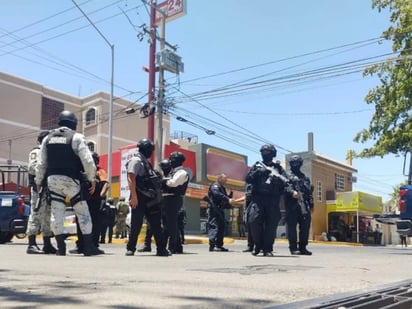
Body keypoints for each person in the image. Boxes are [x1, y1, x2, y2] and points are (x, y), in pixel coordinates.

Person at [35, 110, 101, 256]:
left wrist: (38, 181)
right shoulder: (76, 137)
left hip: (52, 180)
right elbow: (88, 160)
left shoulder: (47, 138)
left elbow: (41, 163)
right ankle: (89, 247)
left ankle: (61, 247)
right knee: (83, 212)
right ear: (74, 123)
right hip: (72, 180)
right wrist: (92, 179)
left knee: (56, 213)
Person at [125, 138, 169, 256]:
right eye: (150, 150)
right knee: (136, 224)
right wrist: (134, 197)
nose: (151, 152)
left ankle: (161, 249)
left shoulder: (146, 163)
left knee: (156, 224)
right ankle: (131, 248)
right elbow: (131, 178)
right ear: (146, 149)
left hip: (151, 198)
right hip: (139, 196)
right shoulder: (136, 160)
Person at [245, 144, 288, 257]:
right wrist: (259, 172)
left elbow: (286, 182)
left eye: (268, 151)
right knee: (253, 221)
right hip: (258, 199)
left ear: (273, 153)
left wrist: (276, 181)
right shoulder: (257, 165)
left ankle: (267, 248)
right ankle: (257, 245)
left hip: (272, 200)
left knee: (271, 225)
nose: (265, 153)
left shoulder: (278, 168)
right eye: (263, 151)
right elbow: (248, 179)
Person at [70, 151, 108, 255]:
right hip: (82, 199)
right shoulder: (81, 171)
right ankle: (80, 246)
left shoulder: (99, 171)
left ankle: (94, 245)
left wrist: (101, 195)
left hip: (94, 201)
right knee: (80, 222)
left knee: (95, 223)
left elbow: (105, 184)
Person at [26, 130, 57, 254]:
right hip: (38, 188)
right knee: (36, 214)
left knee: (47, 216)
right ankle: (31, 244)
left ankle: (47, 244)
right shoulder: (36, 152)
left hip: (48, 187)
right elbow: (32, 168)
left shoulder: (49, 153)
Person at [285, 154, 314, 255]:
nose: (295, 165)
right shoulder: (286, 176)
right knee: (292, 228)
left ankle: (303, 247)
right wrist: (291, 192)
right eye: (294, 163)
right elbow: (283, 187)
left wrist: (311, 205)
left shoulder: (304, 178)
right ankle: (293, 248)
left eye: (297, 163)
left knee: (305, 227)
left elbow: (309, 192)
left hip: (304, 205)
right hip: (292, 205)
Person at [162, 152, 190, 254]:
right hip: (166, 199)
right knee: (167, 224)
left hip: (174, 200)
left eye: (172, 159)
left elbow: (172, 183)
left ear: (177, 161)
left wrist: (161, 180)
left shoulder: (182, 173)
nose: (170, 161)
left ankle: (172, 247)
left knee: (171, 224)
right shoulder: (172, 173)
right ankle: (177, 246)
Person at [206, 173, 234, 252]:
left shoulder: (222, 188)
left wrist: (230, 195)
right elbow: (216, 194)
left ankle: (219, 245)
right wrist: (227, 199)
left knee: (221, 227)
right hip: (214, 209)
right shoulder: (215, 186)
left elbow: (225, 198)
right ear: (220, 178)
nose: (226, 180)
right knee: (214, 226)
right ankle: (212, 245)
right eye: (225, 178)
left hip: (220, 210)